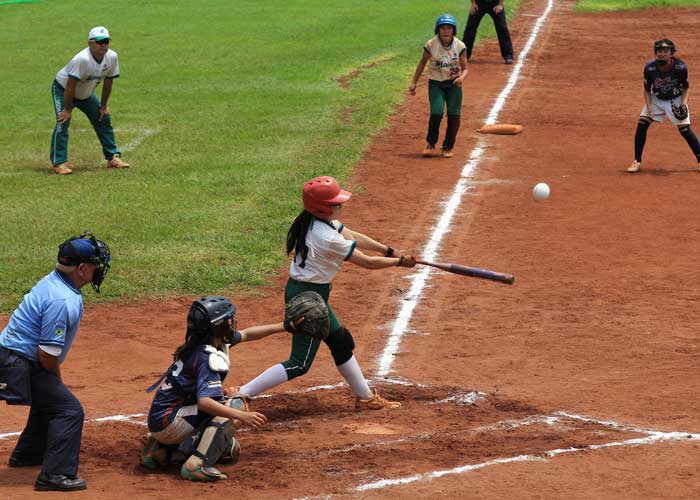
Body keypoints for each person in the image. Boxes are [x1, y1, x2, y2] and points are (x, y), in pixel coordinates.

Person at [238, 176, 416, 410]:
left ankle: (366, 398)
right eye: (335, 203)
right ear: (321, 207)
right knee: (300, 362)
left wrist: (388, 250)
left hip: (308, 292)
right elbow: (366, 263)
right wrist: (399, 262)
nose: (340, 205)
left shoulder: (313, 221)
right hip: (308, 298)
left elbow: (351, 235)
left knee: (340, 341)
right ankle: (242, 393)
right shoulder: (327, 237)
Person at [0, 232, 111, 492]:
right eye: (96, 264)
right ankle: (56, 474)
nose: (99, 269)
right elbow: (47, 355)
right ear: (82, 269)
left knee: (51, 399)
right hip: (16, 363)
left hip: (12, 357)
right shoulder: (61, 300)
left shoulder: (57, 282)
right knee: (68, 410)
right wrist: (55, 381)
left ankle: (28, 454)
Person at [141, 296, 284, 482]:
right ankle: (195, 466)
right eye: (228, 320)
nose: (232, 324)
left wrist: (285, 326)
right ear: (218, 326)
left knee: (228, 449)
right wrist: (241, 416)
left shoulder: (199, 344)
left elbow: (248, 334)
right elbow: (205, 402)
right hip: (170, 422)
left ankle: (160, 452)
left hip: (163, 418)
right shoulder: (207, 358)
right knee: (235, 405)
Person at [51, 26, 130, 175]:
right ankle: (59, 163)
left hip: (85, 94)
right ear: (90, 43)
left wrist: (103, 106)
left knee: (103, 117)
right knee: (63, 122)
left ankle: (113, 157)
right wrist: (67, 110)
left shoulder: (112, 57)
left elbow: (108, 82)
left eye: (106, 41)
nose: (103, 45)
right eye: (99, 42)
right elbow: (70, 86)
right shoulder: (82, 59)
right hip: (64, 90)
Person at [628, 39, 700, 173]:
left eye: (665, 51)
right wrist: (649, 106)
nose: (661, 54)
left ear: (671, 53)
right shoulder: (649, 68)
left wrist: (683, 105)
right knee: (642, 124)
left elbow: (685, 88)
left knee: (685, 130)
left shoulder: (680, 68)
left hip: (676, 99)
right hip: (657, 99)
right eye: (659, 51)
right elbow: (646, 89)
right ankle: (636, 161)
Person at [409, 14, 469, 158]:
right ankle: (431, 143)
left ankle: (448, 147)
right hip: (436, 83)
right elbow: (422, 63)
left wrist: (461, 78)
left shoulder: (460, 46)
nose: (446, 31)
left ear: (453, 30)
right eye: (443, 28)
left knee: (454, 116)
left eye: (449, 28)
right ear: (438, 30)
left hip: (454, 84)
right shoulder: (431, 45)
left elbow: (466, 68)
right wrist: (414, 82)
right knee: (436, 112)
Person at [462, 0, 514, 65]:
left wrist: (500, 4)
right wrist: (473, 3)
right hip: (479, 3)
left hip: (495, 3)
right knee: (470, 27)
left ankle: (508, 55)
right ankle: (464, 55)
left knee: (502, 27)